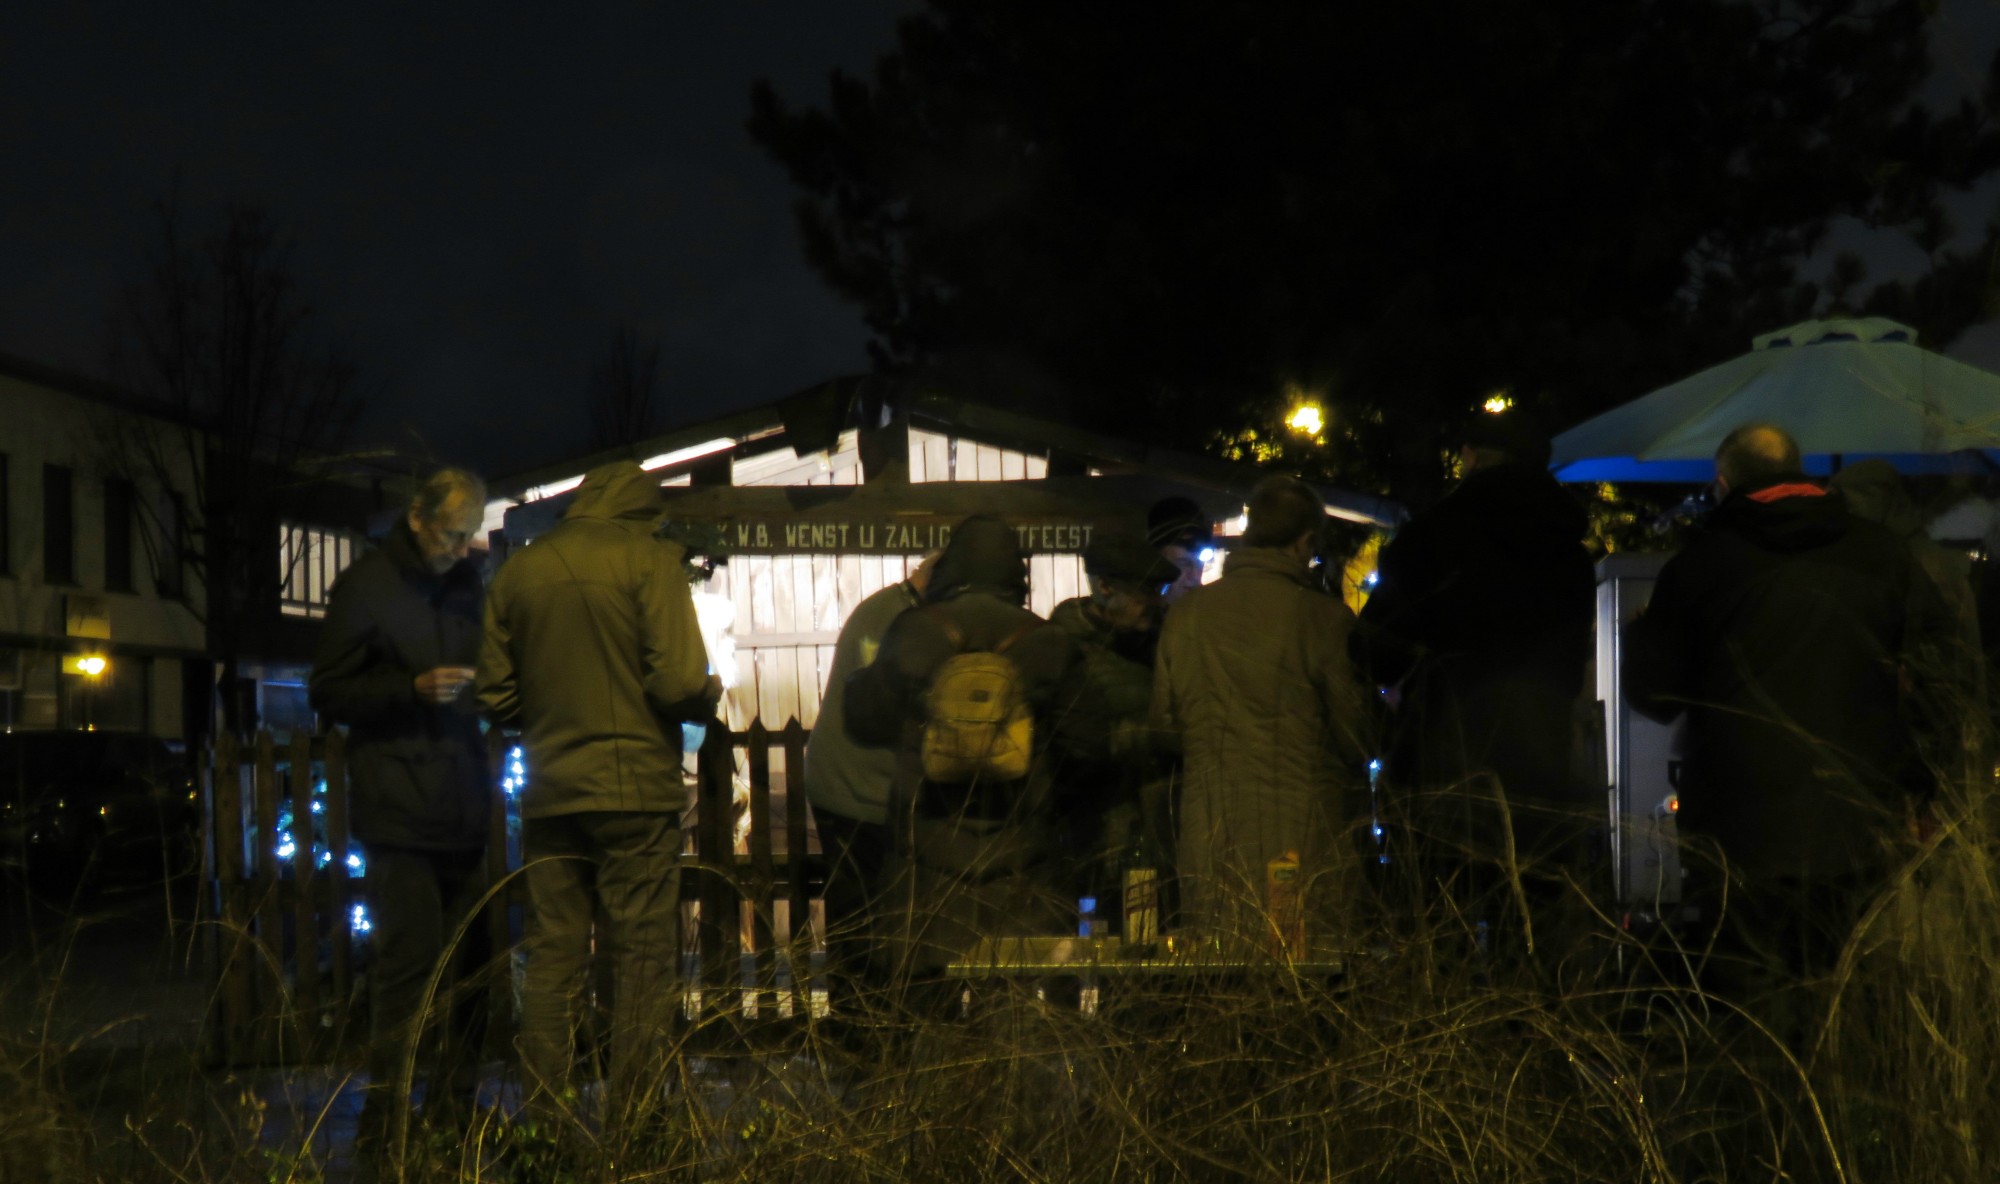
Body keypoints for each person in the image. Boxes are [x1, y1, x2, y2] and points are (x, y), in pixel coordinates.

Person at [1624, 423, 1934, 1027]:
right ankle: (1846, 1112)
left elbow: (1654, 695)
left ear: (1723, 484)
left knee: (1748, 1002)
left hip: (1740, 824)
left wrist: (1643, 634)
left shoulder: (1702, 566)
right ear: (1802, 472)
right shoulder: (1882, 553)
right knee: (1842, 991)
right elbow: (1935, 674)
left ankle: (1764, 1114)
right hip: (1855, 817)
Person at [475, 460, 718, 1119]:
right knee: (639, 958)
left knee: (554, 954)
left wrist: (555, 715)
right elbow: (678, 683)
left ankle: (544, 1121)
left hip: (553, 791)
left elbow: (494, 694)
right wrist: (707, 695)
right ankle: (635, 1124)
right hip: (636, 789)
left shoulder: (521, 568)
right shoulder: (649, 561)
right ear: (643, 510)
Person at [1354, 408, 1596, 934]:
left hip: (1450, 757)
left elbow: (1376, 648)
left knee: (1443, 929)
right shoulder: (1568, 553)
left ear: (1469, 456)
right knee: (1529, 928)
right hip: (1543, 765)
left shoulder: (1435, 539)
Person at [309, 467, 492, 1141]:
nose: (460, 547)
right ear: (417, 518)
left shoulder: (468, 584)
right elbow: (328, 690)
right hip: (399, 813)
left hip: (462, 804)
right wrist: (410, 689)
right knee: (407, 975)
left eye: (470, 535)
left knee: (475, 971)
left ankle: (455, 1104)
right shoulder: (365, 586)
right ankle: (387, 1119)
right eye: (452, 533)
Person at [843, 515, 1080, 999]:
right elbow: (1089, 746)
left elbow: (863, 723)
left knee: (928, 1023)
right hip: (1022, 866)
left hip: (926, 867)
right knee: (1015, 1020)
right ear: (1018, 574)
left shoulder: (913, 632)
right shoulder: (1050, 642)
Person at [1151, 476, 1372, 947]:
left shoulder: (1186, 616)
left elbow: (1167, 727)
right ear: (1304, 542)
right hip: (1303, 842)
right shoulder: (1323, 619)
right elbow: (1357, 737)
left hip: (1210, 840)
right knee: (1301, 976)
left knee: (1219, 982)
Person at [802, 551, 936, 1009]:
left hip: (858, 785)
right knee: (862, 920)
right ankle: (861, 1033)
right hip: (857, 791)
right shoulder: (895, 619)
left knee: (865, 917)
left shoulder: (890, 611)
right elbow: (883, 709)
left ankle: (866, 1032)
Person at [1046, 534, 1179, 919]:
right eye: (1144, 592)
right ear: (1104, 587)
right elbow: (1068, 744)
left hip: (1154, 831)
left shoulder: (1158, 644)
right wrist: (1157, 735)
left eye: (1160, 589)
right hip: (1091, 835)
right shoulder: (1061, 649)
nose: (1157, 602)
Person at [1147, 496, 1213, 603]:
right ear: (1154, 564)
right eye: (1184, 563)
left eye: (1200, 564)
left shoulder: (1211, 613)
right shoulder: (1128, 615)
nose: (1195, 575)